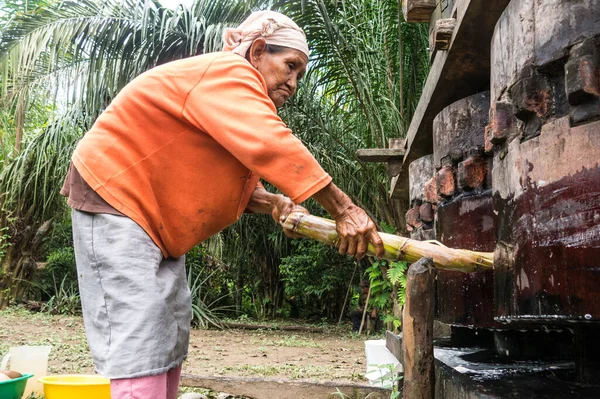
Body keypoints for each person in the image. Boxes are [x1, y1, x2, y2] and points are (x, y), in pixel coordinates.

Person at [61, 10, 384, 399]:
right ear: (259, 50)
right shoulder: (230, 71)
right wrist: (345, 210)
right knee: (138, 331)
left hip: (153, 223)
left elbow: (233, 173)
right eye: (290, 66)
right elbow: (269, 144)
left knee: (166, 329)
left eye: (301, 74)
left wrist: (274, 203)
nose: (294, 82)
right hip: (115, 197)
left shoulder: (234, 94)